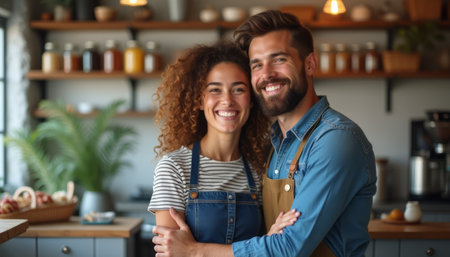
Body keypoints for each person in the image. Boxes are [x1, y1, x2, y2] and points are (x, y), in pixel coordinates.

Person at [152, 10, 377, 257]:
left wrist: (195, 251)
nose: (266, 74)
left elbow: (288, 247)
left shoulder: (335, 140)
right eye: (257, 64)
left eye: (279, 59)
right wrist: (269, 239)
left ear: (310, 64)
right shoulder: (273, 150)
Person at [148, 41, 300, 245]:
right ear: (199, 101)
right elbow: (172, 253)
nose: (227, 100)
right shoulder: (174, 168)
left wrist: (270, 239)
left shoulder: (260, 168)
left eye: (238, 90)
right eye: (215, 90)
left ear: (252, 100)